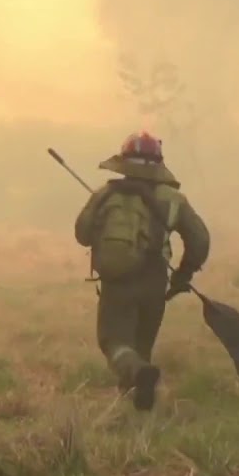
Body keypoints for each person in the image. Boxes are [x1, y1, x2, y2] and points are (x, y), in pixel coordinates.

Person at [74, 132, 210, 411]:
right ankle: (137, 407)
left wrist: (105, 222)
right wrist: (184, 274)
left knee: (114, 342)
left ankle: (136, 378)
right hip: (154, 281)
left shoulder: (105, 194)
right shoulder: (174, 200)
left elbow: (82, 235)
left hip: (117, 282)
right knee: (142, 344)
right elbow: (200, 241)